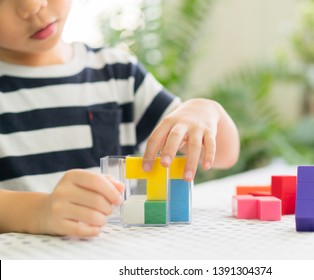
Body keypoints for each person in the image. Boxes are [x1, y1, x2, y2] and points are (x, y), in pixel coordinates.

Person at [0, 0, 240, 237]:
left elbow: (224, 155)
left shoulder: (118, 73)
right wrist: (40, 211)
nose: (31, 6)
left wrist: (207, 111)